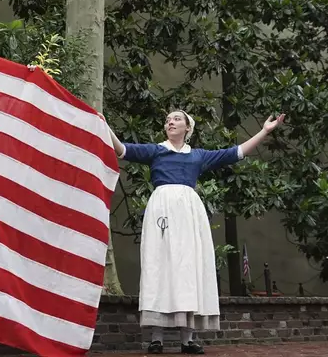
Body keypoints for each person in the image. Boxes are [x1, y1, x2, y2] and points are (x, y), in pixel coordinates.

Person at [101, 110, 285, 354]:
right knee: (160, 266)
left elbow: (236, 153)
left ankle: (188, 339)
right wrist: (104, 125)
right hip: (162, 213)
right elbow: (122, 149)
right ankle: (156, 338)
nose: (170, 122)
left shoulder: (198, 156)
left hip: (189, 214)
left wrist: (264, 131)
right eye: (167, 120)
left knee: (188, 269)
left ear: (188, 127)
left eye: (176, 119)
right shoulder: (156, 151)